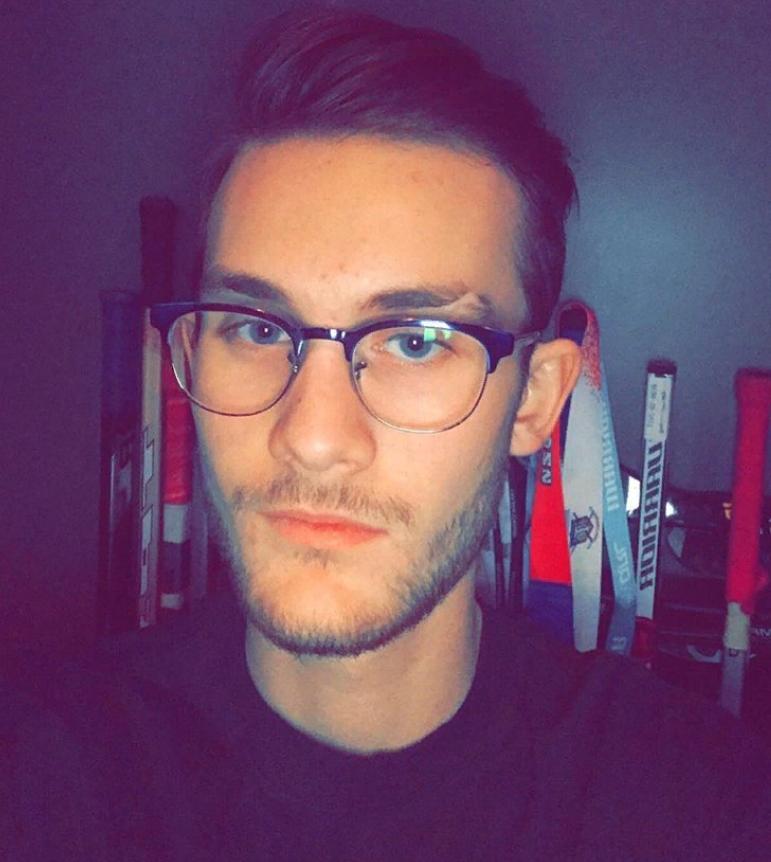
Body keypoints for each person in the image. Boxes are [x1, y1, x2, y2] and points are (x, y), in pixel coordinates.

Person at [2, 5, 769, 861]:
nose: (313, 437)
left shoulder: (703, 809)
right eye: (256, 328)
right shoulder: (43, 775)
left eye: (415, 341)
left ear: (533, 400)